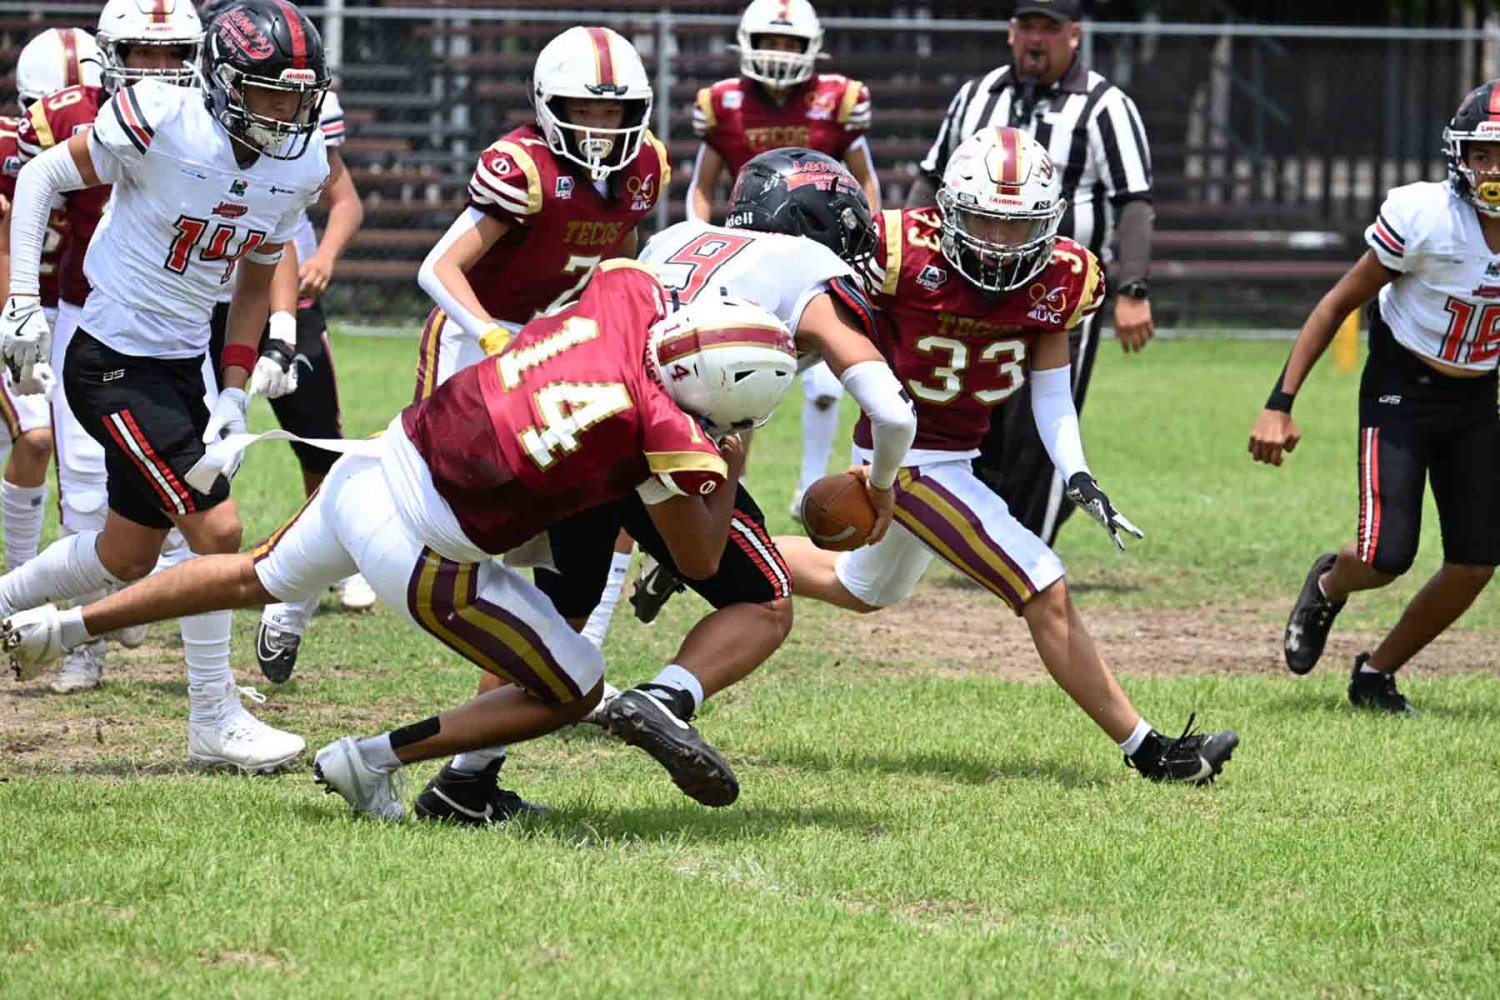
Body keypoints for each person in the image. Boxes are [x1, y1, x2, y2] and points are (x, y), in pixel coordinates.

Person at [2, 265, 801, 823]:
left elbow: (615, 286)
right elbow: (699, 560)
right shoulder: (671, 434)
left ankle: (59, 627)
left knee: (253, 576)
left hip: (379, 460)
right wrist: (729, 460)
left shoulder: (628, 295)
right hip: (422, 548)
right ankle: (371, 760)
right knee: (577, 687)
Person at [775, 128, 1235, 783]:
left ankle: (721, 551)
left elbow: (1051, 390)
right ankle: (1153, 752)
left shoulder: (1064, 276)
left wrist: (1077, 473)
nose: (999, 242)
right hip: (902, 454)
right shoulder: (899, 250)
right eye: (985, 221)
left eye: (1017, 225)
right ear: (950, 209)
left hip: (955, 455)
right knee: (1043, 585)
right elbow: (828, 322)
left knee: (861, 587)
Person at [507, 150, 914, 814]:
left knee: (558, 621)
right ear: (818, 221)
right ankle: (666, 697)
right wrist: (884, 482)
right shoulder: (808, 265)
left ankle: (465, 778)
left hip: (578, 419)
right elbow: (892, 411)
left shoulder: (675, 237)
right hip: (667, 442)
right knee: (764, 601)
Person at [0, 0, 329, 770]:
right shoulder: (161, 117)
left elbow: (254, 281)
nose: (285, 113)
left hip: (182, 362)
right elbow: (43, 174)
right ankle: (213, 715)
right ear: (224, 83)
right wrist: (20, 302)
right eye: (268, 92)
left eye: (297, 97)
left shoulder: (301, 163)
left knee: (126, 554)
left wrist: (235, 389)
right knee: (217, 532)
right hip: (111, 356)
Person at [1249, 80, 1500, 715]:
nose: (1494, 170)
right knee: (1387, 556)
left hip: (1477, 398)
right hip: (1402, 389)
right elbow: (1336, 304)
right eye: (1483, 154)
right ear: (1460, 157)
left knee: (1476, 562)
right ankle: (1329, 584)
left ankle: (1376, 674)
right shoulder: (1427, 218)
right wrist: (1280, 402)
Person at [12, 0, 206, 694]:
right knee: (88, 489)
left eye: (172, 53)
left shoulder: (214, 114)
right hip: (88, 312)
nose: (159, 68)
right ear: (111, 54)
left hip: (185, 323)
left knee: (200, 498)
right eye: (143, 52)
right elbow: (21, 195)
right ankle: (83, 642)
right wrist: (21, 300)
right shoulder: (66, 113)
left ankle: (196, 668)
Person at [912, 0, 1154, 546]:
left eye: (1049, 28)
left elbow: (1134, 200)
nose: (1036, 39)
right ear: (1010, 31)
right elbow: (932, 177)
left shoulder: (1105, 106)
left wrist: (1134, 288)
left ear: (1074, 35)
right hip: (970, 285)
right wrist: (912, 255)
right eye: (1027, 26)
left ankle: (1031, 546)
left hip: (1058, 292)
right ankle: (977, 537)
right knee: (975, 420)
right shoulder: (976, 95)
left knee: (1039, 430)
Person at [204, 83, 371, 684]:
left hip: (289, 296)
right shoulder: (201, 115)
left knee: (317, 438)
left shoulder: (307, 115)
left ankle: (335, 555)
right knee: (203, 440)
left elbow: (344, 200)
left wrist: (324, 255)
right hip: (208, 292)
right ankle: (184, 561)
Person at [688, 0, 878, 514]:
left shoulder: (838, 99)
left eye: (789, 43)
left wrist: (861, 244)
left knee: (825, 378)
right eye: (769, 42)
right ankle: (728, 482)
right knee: (736, 370)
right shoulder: (723, 103)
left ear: (811, 48)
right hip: (748, 254)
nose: (778, 53)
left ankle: (809, 486)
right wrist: (707, 241)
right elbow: (701, 187)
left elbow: (865, 181)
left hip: (818, 251)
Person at [0, 28, 101, 578]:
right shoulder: (6, 151)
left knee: (71, 450)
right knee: (36, 437)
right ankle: (19, 580)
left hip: (68, 314)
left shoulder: (116, 151)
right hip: (14, 312)